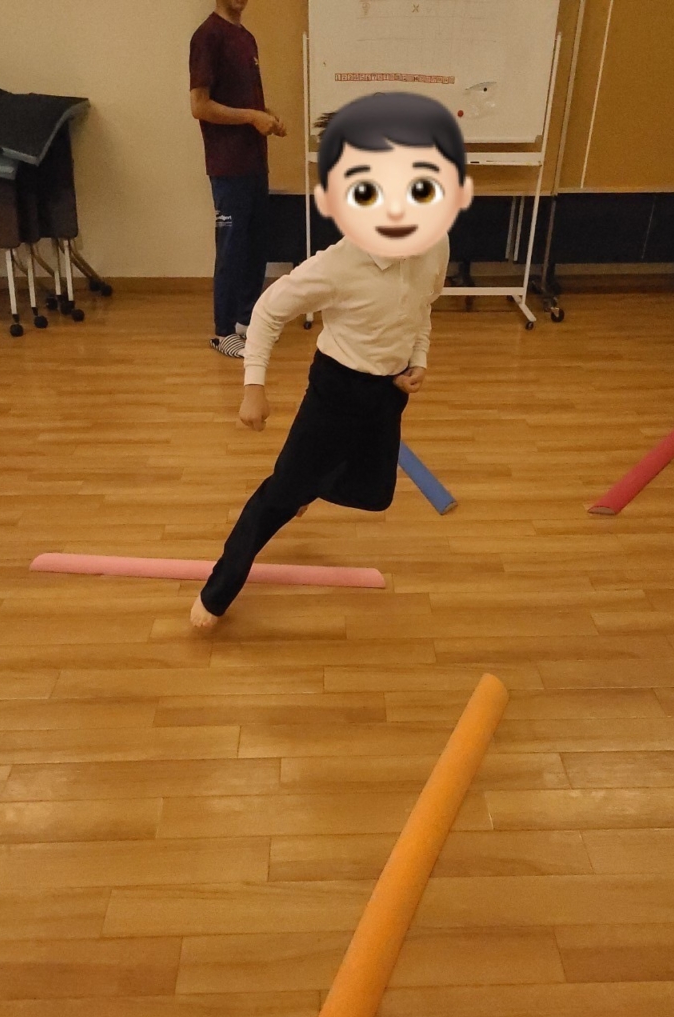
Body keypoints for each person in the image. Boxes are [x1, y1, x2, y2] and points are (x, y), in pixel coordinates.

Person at [190, 91, 473, 629]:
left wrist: (417, 359)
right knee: (278, 495)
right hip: (336, 391)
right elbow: (268, 311)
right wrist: (254, 387)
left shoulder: (435, 247)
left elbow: (423, 307)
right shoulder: (336, 266)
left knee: (374, 494)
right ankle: (217, 592)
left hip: (387, 391)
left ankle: (308, 483)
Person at [189, 0, 287, 358]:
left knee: (255, 244)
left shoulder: (245, 37)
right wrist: (250, 117)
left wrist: (266, 117)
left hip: (254, 162)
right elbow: (199, 105)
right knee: (231, 247)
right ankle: (224, 331)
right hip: (228, 166)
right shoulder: (207, 36)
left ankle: (246, 321)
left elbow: (244, 101)